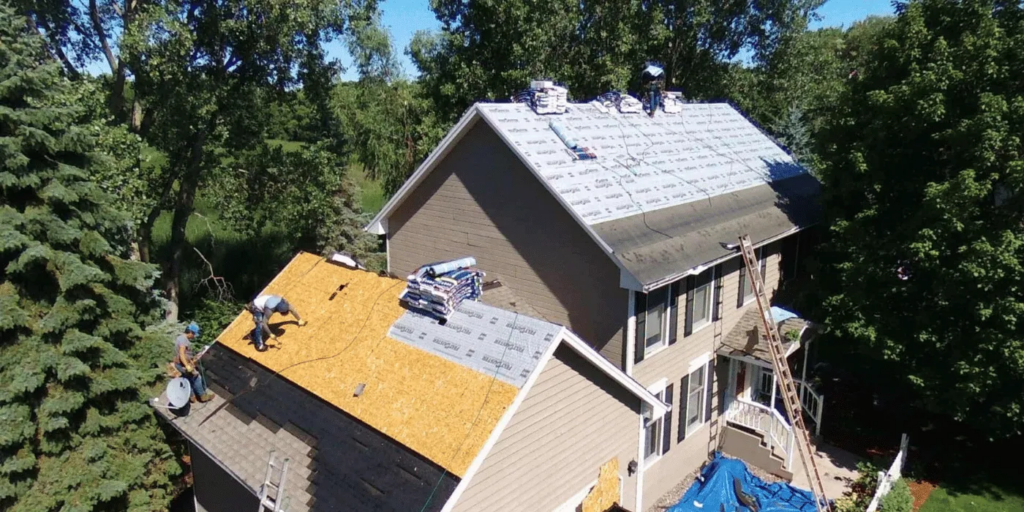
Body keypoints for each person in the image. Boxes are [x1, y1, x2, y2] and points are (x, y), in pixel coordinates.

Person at [174, 322, 213, 403]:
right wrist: (187, 366)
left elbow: (185, 353)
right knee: (196, 377)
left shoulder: (181, 338)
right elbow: (181, 354)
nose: (194, 336)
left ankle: (192, 396)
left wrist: (191, 360)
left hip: (181, 364)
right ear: (191, 332)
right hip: (182, 365)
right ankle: (203, 396)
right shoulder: (183, 340)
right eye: (194, 334)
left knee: (188, 378)